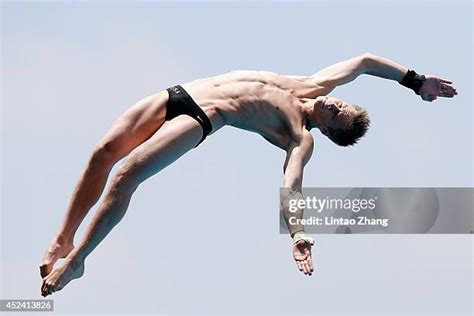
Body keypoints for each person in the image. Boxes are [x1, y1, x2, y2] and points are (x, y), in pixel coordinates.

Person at [39, 52, 457, 296]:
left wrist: (298, 234)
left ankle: (78, 261)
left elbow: (291, 183)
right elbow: (366, 61)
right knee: (103, 153)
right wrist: (414, 81)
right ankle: (63, 237)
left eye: (341, 117)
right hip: (180, 93)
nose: (339, 107)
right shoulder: (316, 83)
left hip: (207, 115)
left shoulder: (299, 135)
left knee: (127, 173)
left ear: (330, 131)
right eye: (345, 106)